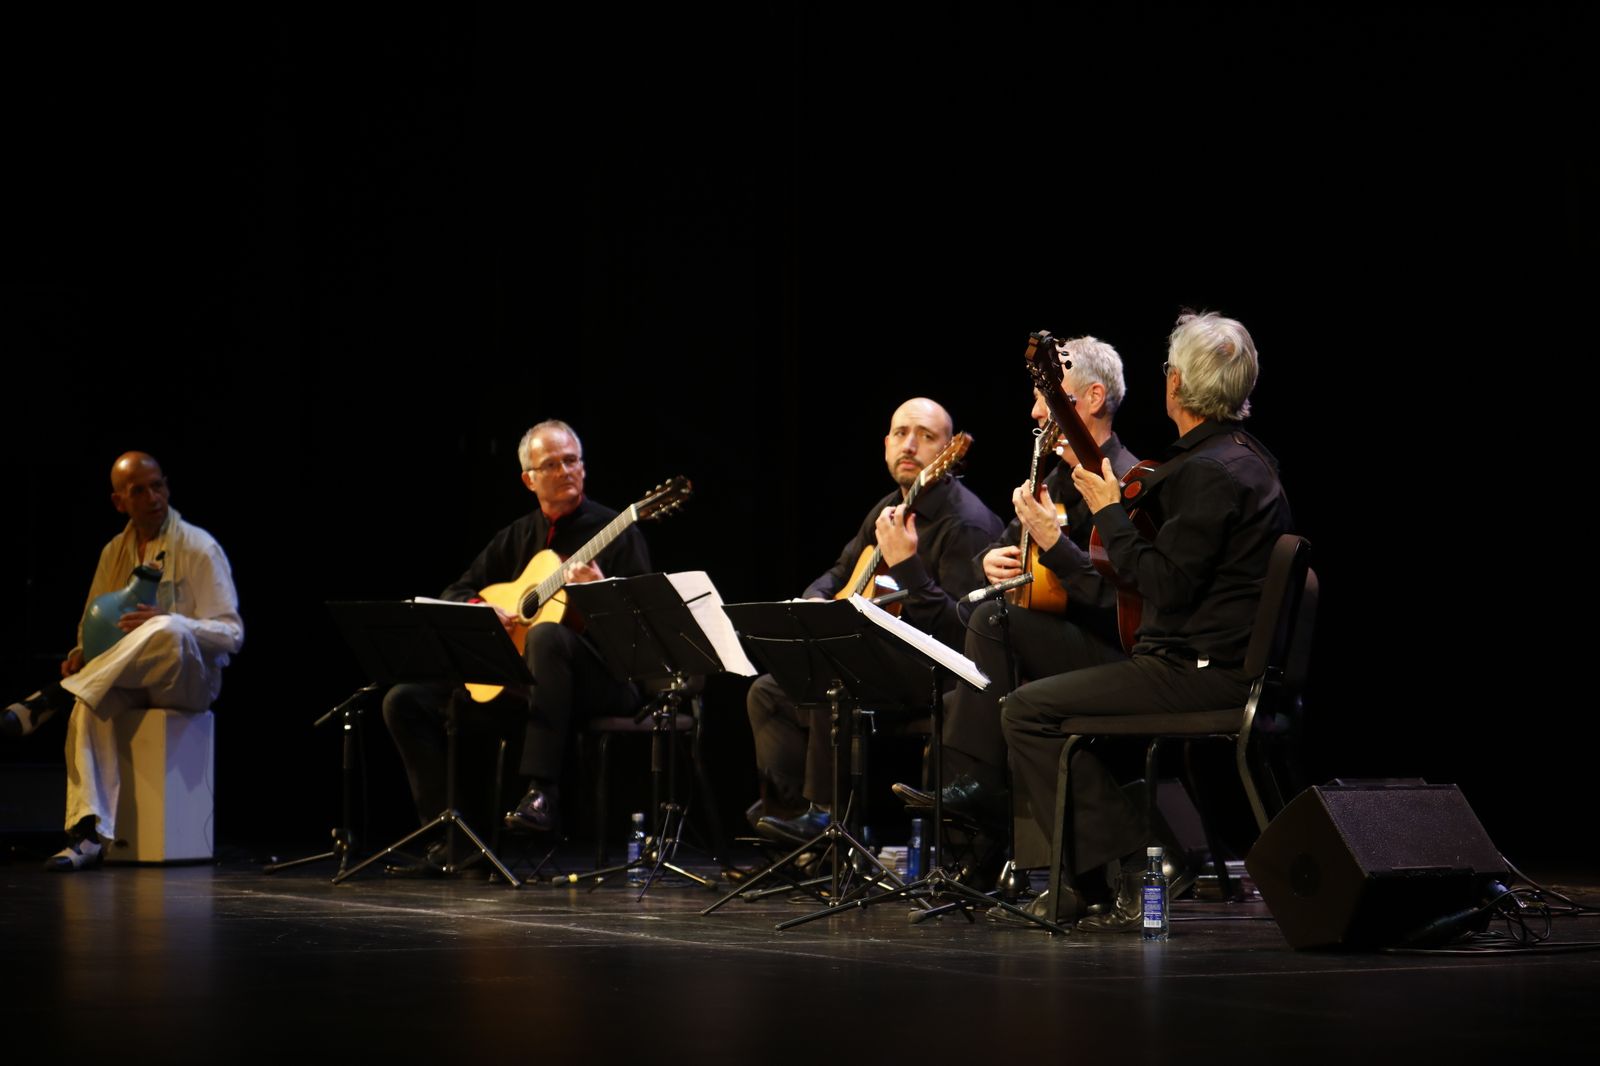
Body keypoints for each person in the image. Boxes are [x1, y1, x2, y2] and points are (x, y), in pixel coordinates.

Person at [999, 312, 1293, 930]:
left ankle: (1144, 858)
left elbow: (1162, 584)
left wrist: (1108, 512)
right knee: (1035, 689)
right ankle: (1085, 884)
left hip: (1197, 671)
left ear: (1175, 383)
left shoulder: (1208, 473)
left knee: (1025, 711)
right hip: (1202, 661)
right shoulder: (1243, 458)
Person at [893, 337, 1138, 845]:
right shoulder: (1056, 480)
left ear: (1093, 398)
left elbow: (1120, 601)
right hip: (1052, 648)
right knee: (970, 662)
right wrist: (987, 563)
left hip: (1112, 654)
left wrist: (1055, 545)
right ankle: (973, 848)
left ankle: (984, 797)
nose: (1035, 411)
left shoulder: (1128, 481)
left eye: (1047, 396)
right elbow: (996, 556)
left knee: (992, 627)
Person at [380, 420, 651, 873]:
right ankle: (452, 842)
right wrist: (481, 608)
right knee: (404, 701)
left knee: (546, 635)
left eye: (572, 460)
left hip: (604, 681)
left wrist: (599, 593)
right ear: (529, 479)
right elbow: (455, 592)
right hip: (527, 688)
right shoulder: (517, 536)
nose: (566, 471)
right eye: (552, 464)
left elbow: (641, 630)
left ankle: (542, 793)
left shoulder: (618, 530)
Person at [748, 397, 1003, 844]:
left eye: (926, 437)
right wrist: (814, 601)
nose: (910, 445)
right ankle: (793, 831)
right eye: (901, 433)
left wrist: (908, 565)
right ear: (886, 444)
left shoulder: (966, 524)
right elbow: (839, 572)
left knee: (836, 672)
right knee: (769, 693)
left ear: (948, 453)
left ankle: (827, 817)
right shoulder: (888, 509)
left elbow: (963, 631)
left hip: (939, 677)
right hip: (883, 665)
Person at [3, 452, 243, 872]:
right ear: (119, 501)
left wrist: (172, 620)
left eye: (158, 485)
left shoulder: (198, 546)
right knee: (89, 703)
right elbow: (91, 622)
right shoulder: (114, 551)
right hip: (133, 676)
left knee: (166, 628)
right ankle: (86, 836)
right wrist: (80, 653)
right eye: (139, 491)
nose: (154, 497)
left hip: (188, 680)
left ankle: (55, 696)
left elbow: (232, 634)